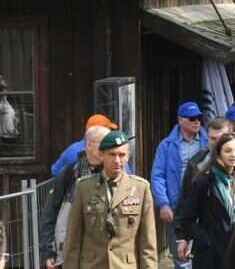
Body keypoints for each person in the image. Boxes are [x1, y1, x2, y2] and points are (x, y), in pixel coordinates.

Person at [63, 130, 158, 269]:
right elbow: (73, 240)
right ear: (101, 155)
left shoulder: (141, 189)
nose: (117, 160)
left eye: (122, 155)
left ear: (128, 157)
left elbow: (148, 244)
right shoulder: (83, 188)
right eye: (112, 154)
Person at [175, 133, 235, 269]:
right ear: (218, 155)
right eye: (228, 151)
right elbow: (186, 220)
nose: (233, 155)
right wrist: (207, 240)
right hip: (211, 257)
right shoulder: (204, 182)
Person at [41, 125, 110, 268]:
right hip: (71, 252)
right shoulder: (69, 173)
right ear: (90, 145)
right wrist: (48, 252)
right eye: (104, 143)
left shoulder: (114, 172)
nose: (109, 147)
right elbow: (50, 212)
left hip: (104, 255)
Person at [151, 101, 207, 269]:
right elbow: (158, 176)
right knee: (180, 257)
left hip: (204, 205)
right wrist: (163, 204)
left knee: (205, 252)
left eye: (198, 118)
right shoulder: (166, 146)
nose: (196, 121)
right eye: (192, 118)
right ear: (180, 120)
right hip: (177, 208)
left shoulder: (208, 142)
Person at [50, 114, 118, 177]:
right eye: (108, 129)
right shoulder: (111, 151)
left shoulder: (72, 149)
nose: (110, 132)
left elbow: (55, 171)